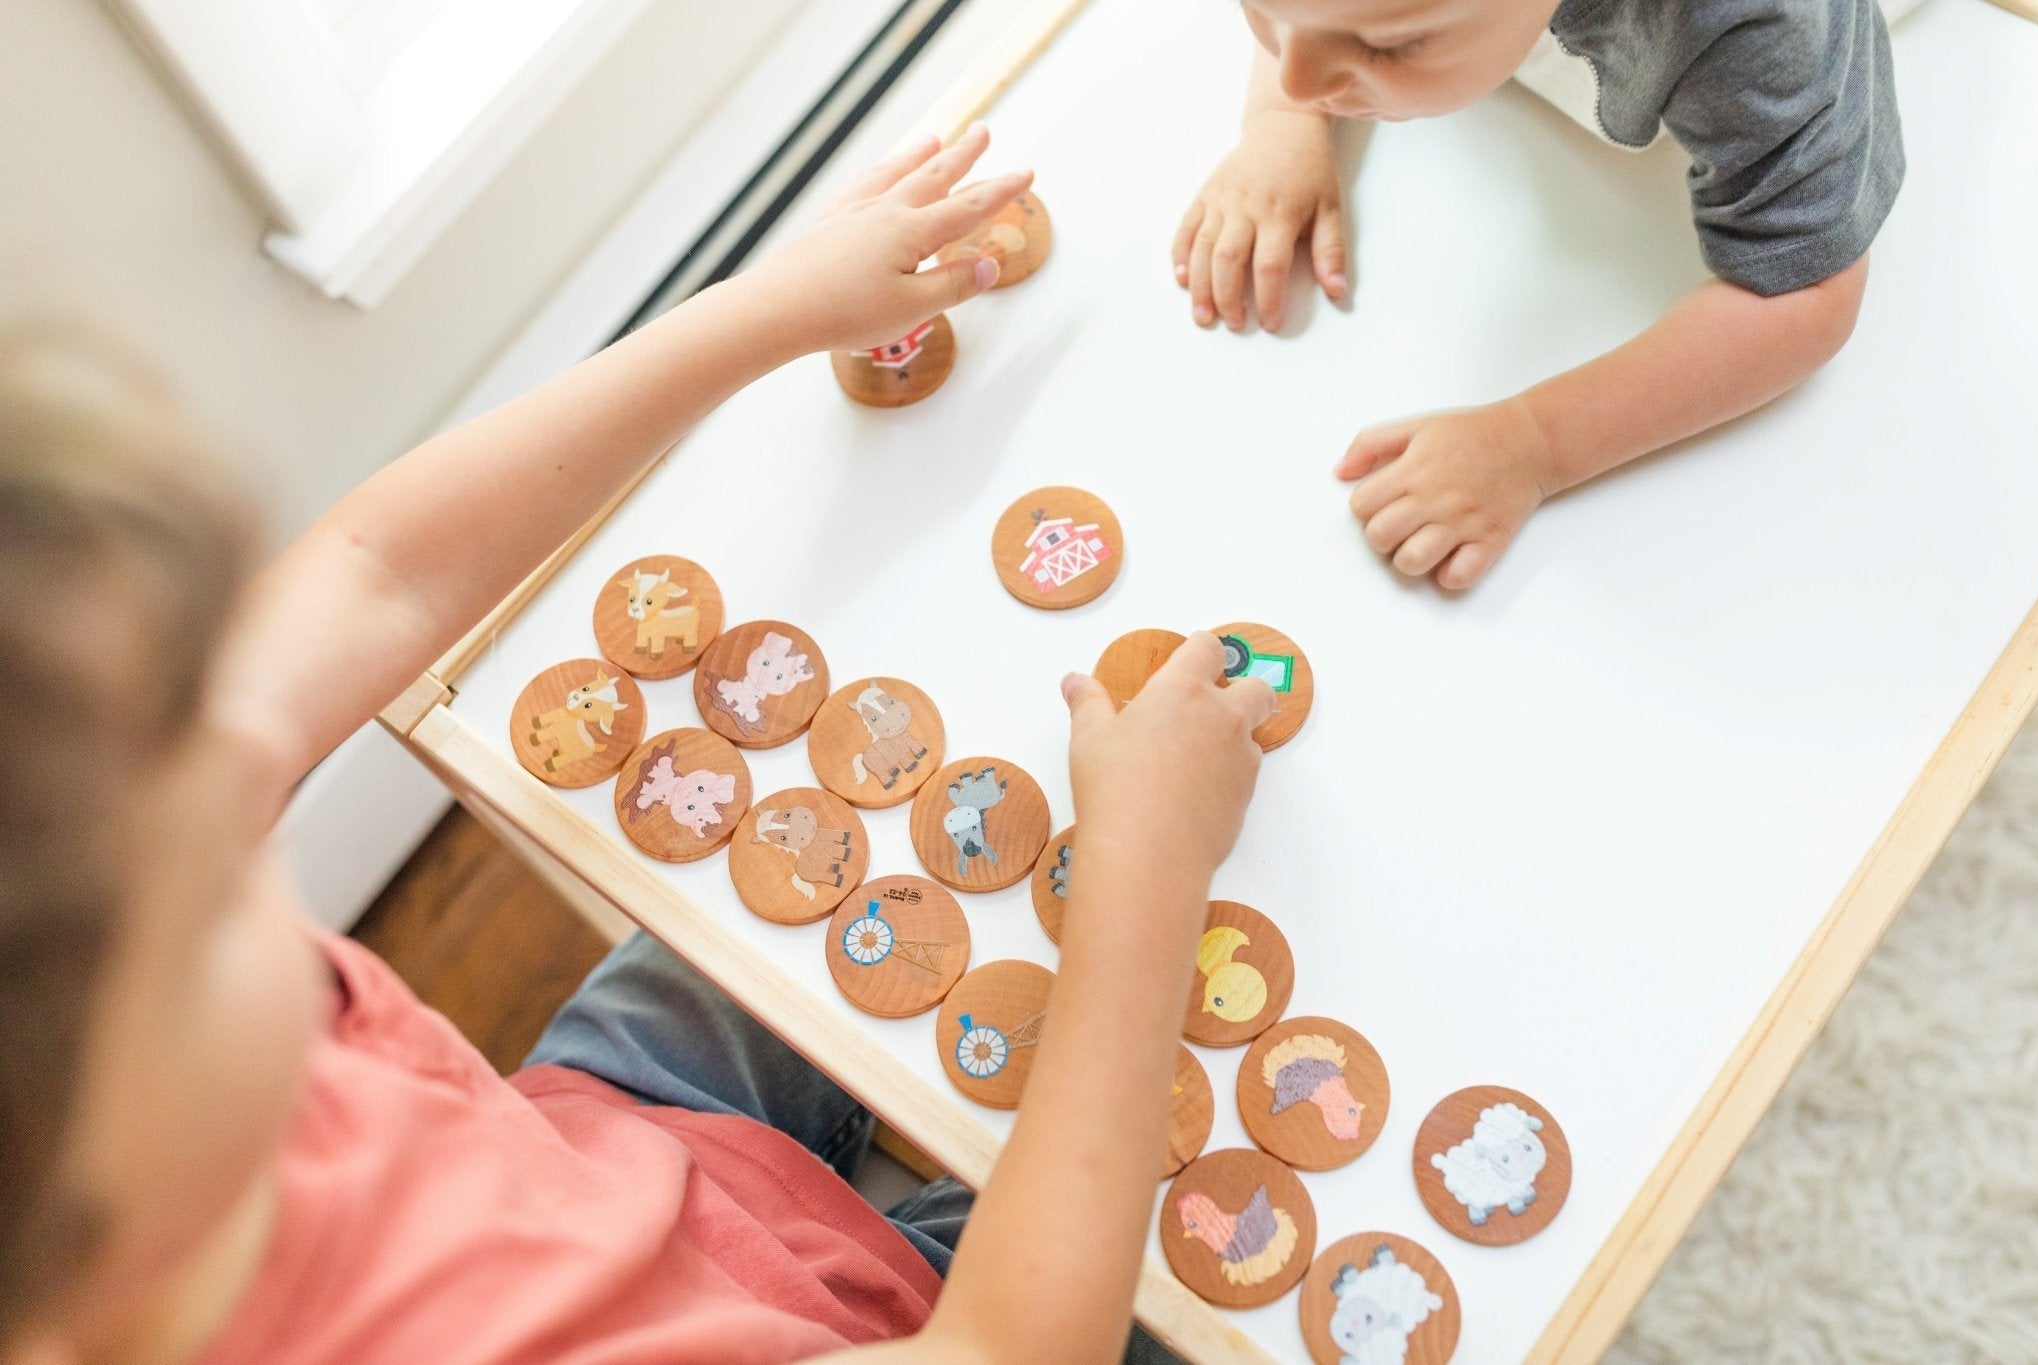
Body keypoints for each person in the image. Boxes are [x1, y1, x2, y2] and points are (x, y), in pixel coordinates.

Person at [0, 127, 1275, 1364]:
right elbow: (1008, 1347)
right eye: (222, 880)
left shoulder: (91, 924)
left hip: (622, 1132)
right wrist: (1142, 877)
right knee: (1227, 1247)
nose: (250, 788)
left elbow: (374, 572)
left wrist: (764, 309)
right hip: (908, 1318)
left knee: (851, 839)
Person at [1174, 0, 1903, 590]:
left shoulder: (1754, 30)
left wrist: (1535, 442)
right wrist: (1283, 123)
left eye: (1390, 44)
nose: (1296, 76)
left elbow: (1806, 290)